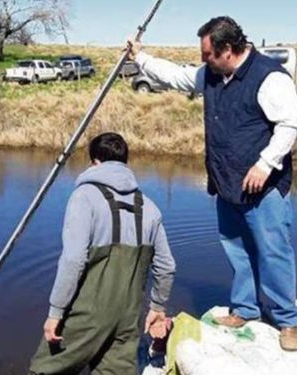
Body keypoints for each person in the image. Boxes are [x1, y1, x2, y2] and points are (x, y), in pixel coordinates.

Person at [127, 16, 297, 351]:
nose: (203, 60)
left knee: (273, 252)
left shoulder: (268, 77)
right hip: (226, 183)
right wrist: (141, 58)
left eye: (207, 53)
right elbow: (177, 77)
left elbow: (291, 124)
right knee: (238, 250)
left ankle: (287, 320)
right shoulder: (211, 73)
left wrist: (265, 164)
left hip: (264, 188)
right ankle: (246, 309)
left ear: (227, 49)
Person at [29, 132, 176, 374]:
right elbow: (166, 266)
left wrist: (55, 312)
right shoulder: (149, 207)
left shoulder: (84, 197)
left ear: (95, 162)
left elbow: (73, 260)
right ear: (124, 162)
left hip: (87, 315)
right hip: (128, 318)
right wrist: (158, 307)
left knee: (44, 370)